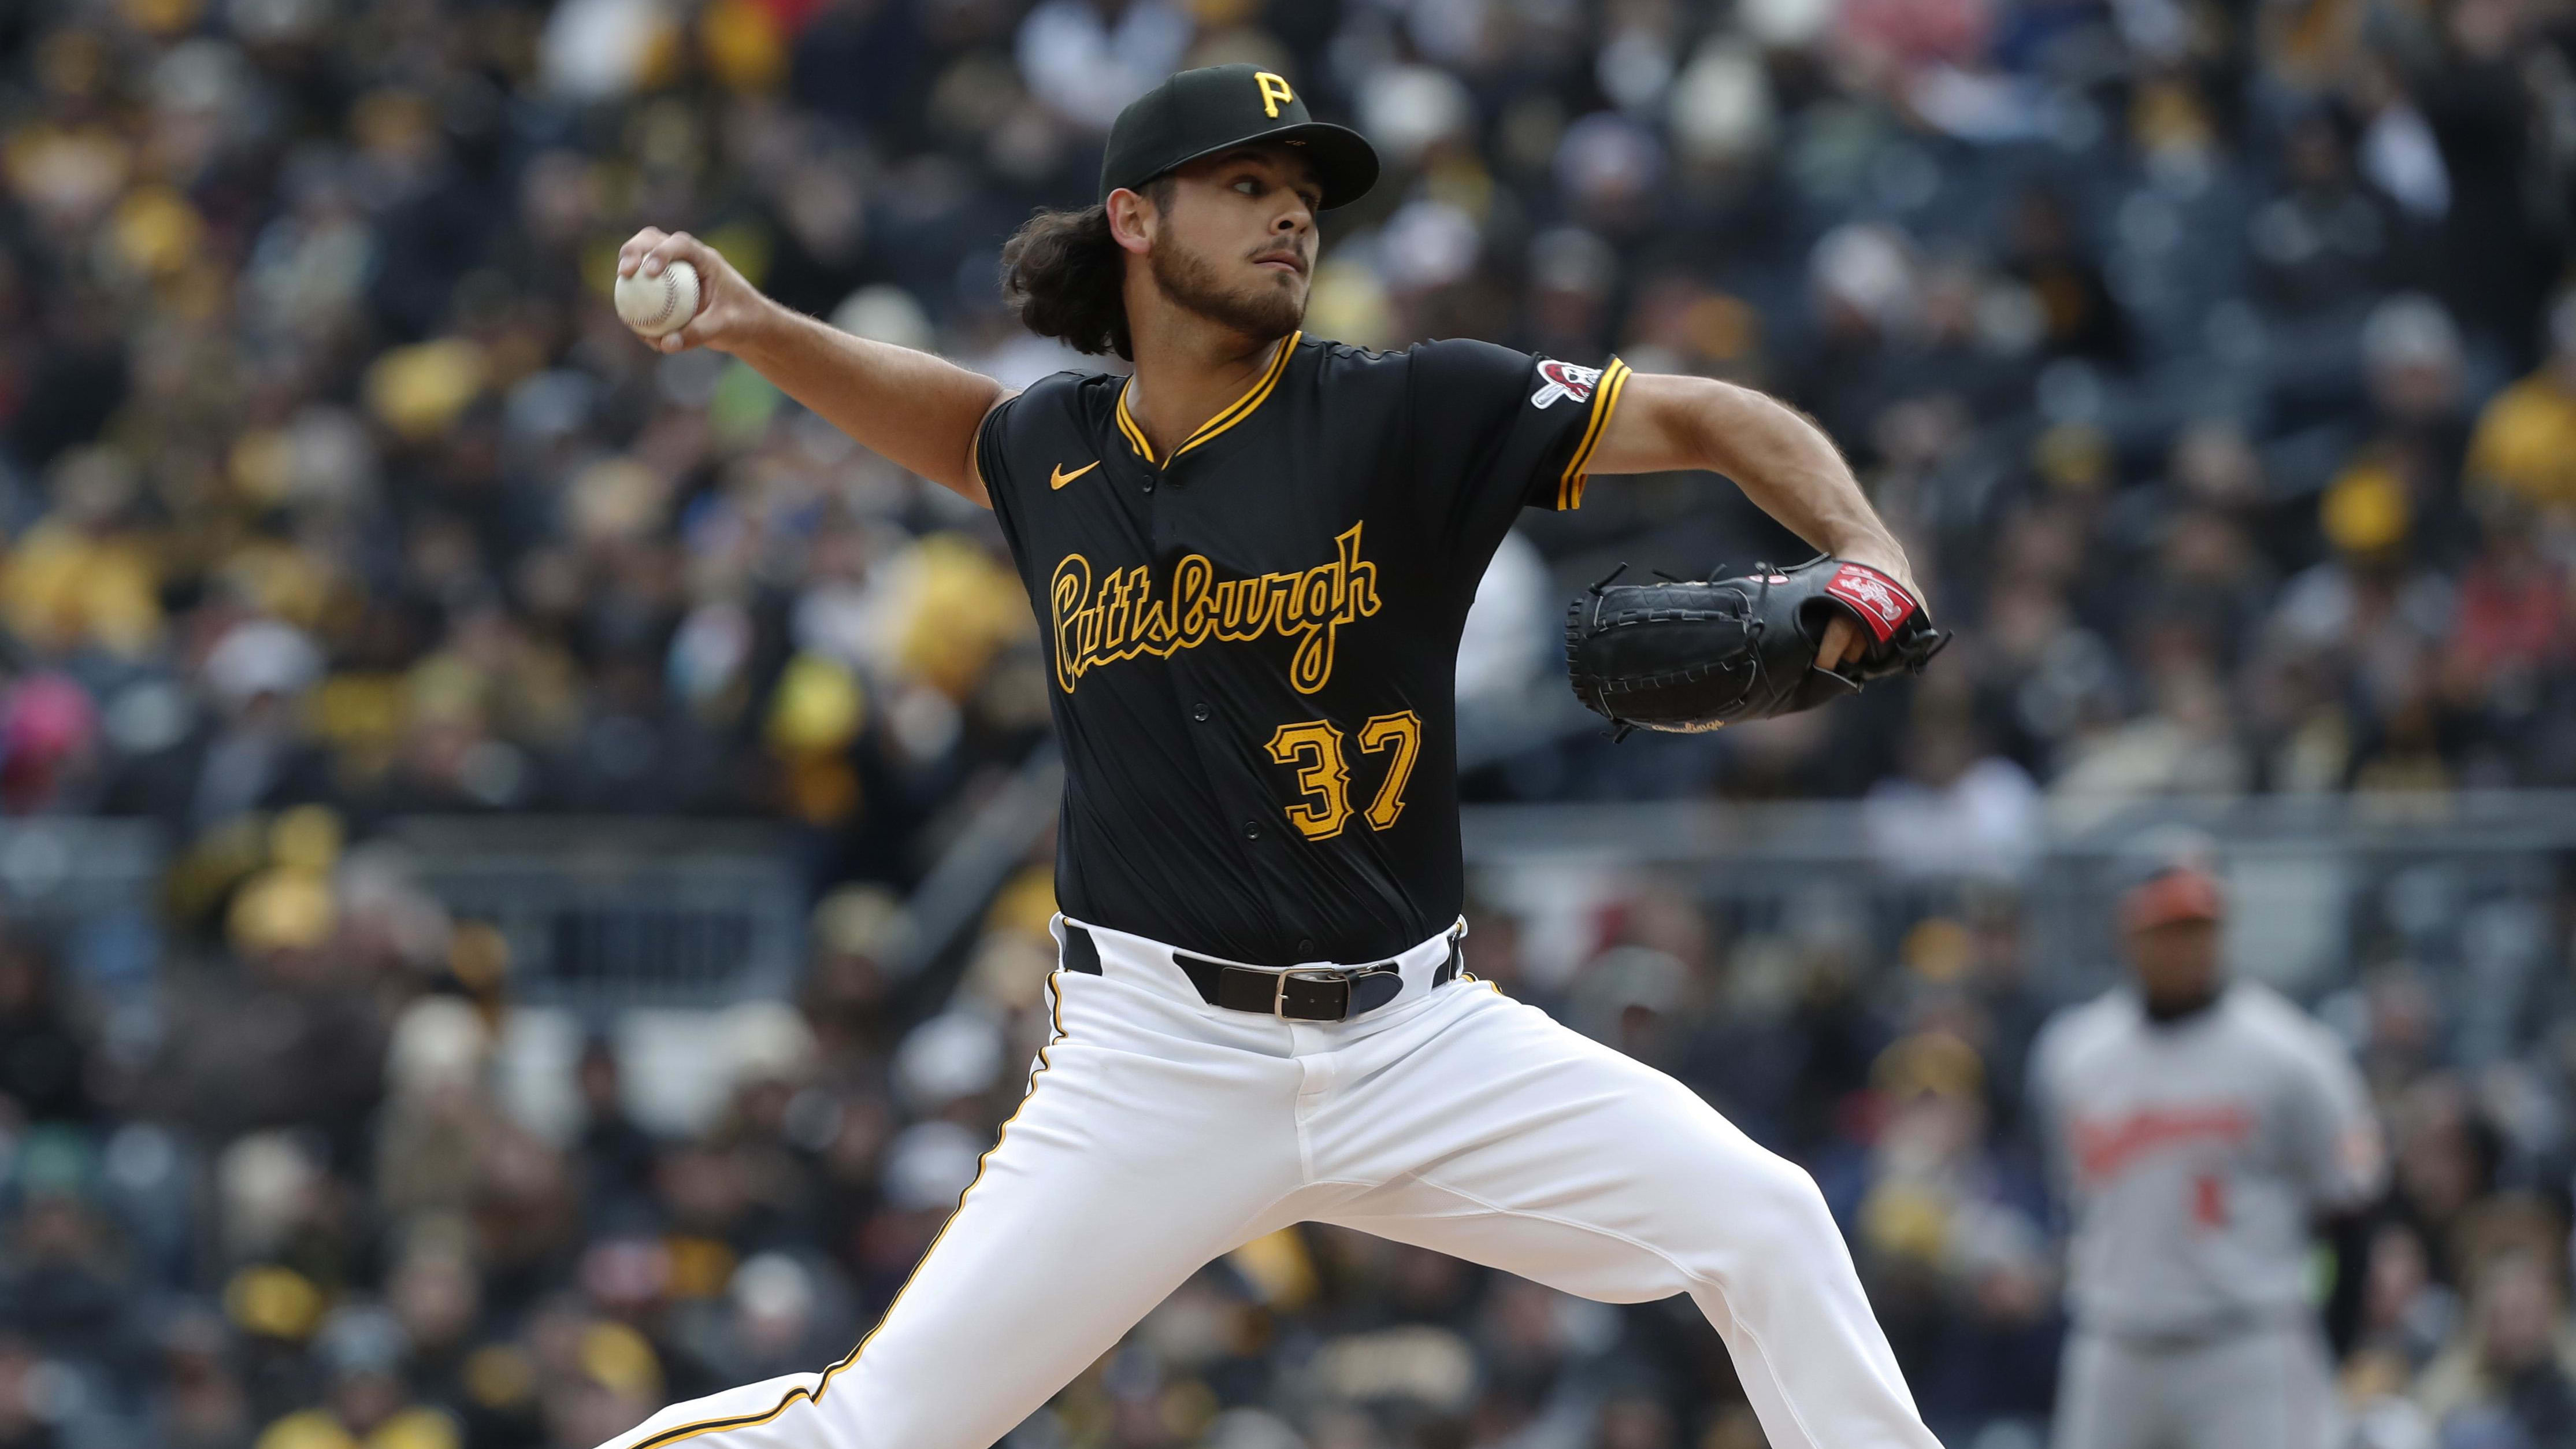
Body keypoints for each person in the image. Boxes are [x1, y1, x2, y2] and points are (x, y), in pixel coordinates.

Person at [604, 65, 1940, 1449]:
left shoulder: (1407, 411)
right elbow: (954, 425)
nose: (1290, 219)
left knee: (1765, 1223)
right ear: (1132, 218)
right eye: (1246, 186)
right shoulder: (1055, 451)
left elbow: (1719, 420)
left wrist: (1866, 547)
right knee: (871, 1429)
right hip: (1155, 1065)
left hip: (1421, 1041)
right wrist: (755, 329)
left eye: (1303, 198)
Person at [2031, 844, 2386, 1449]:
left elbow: (2349, 1208)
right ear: (2129, 933)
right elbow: (2071, 1195)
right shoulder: (2075, 1054)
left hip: (2248, 1341)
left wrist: (2335, 1346)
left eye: (2198, 927)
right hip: (2115, 1339)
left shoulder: (2292, 1053)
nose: (2185, 946)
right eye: (2167, 928)